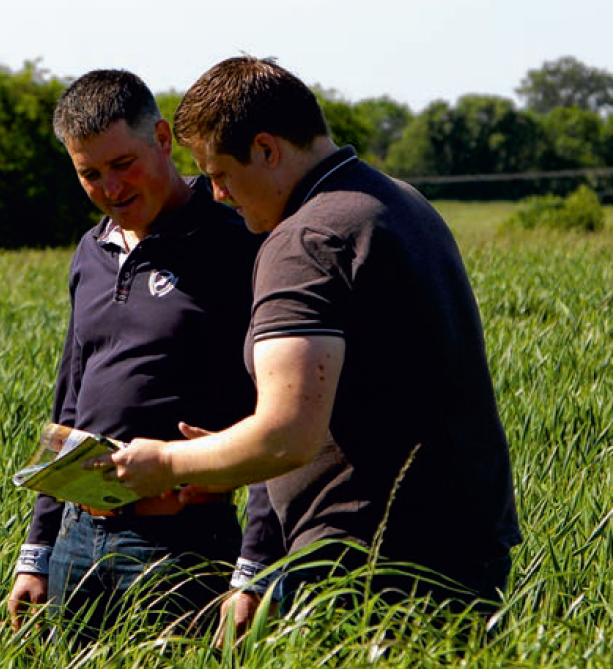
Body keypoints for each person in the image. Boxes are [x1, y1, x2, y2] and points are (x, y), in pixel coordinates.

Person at [89, 56, 523, 639]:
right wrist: (228, 458)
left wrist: (162, 463)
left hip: (371, 568)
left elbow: (288, 434)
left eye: (219, 173)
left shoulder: (305, 240)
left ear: (267, 150)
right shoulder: (396, 201)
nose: (216, 194)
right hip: (465, 545)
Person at [4, 69, 268, 641]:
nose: (110, 187)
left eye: (122, 164)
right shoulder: (90, 251)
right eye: (89, 173)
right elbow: (69, 401)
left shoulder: (235, 244)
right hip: (77, 545)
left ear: (164, 138)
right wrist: (37, 549)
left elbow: (278, 416)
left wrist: (252, 567)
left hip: (183, 544)